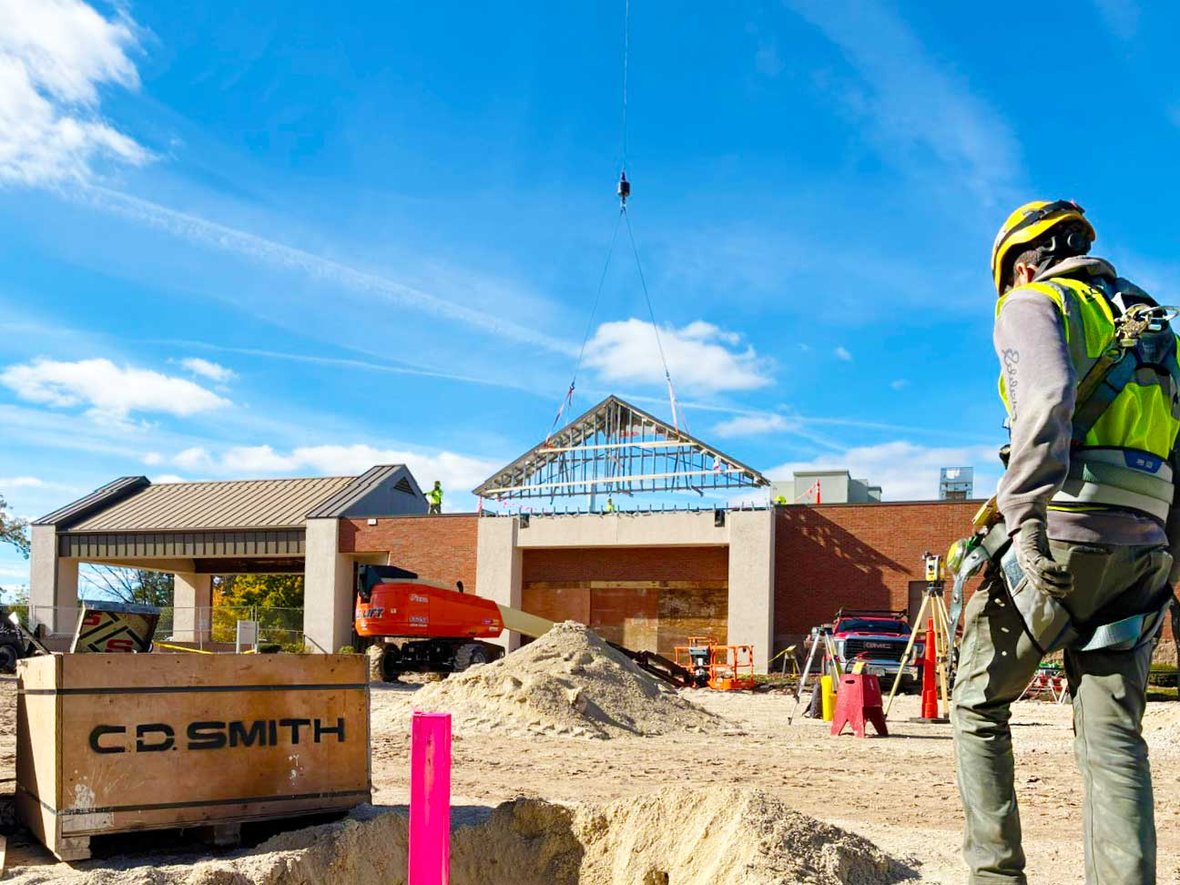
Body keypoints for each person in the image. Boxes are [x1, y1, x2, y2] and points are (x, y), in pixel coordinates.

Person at [953, 199, 1180, 884]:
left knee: (977, 701)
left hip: (1062, 535)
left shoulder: (1035, 301)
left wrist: (1023, 521)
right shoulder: (1158, 332)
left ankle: (994, 875)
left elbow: (1044, 402)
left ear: (1022, 264)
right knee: (1114, 739)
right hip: (1145, 547)